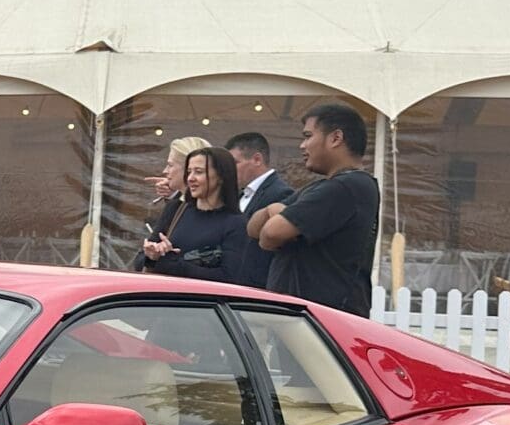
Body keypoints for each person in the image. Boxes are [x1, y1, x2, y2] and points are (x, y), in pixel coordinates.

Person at [250, 101, 380, 314]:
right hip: (299, 318)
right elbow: (254, 229)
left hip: (323, 320)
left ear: (335, 138)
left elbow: (271, 234)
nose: (302, 146)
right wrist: (272, 210)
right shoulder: (322, 187)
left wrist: (275, 217)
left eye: (308, 136)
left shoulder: (346, 187)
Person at [138, 146, 258, 284]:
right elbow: (140, 261)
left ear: (221, 176)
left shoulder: (236, 223)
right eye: (189, 172)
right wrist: (153, 255)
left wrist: (172, 263)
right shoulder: (176, 209)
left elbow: (229, 277)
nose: (190, 178)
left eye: (199, 172)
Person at [228, 130, 293, 222]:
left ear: (257, 160)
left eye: (234, 163)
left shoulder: (281, 193)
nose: (229, 168)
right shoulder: (240, 193)